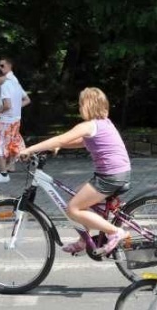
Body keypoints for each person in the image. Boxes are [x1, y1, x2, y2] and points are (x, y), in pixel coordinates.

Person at [18, 87, 131, 256]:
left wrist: (29, 149)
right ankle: (84, 241)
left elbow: (61, 137)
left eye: (80, 104)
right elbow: (81, 142)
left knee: (73, 209)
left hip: (110, 177)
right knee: (76, 195)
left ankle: (114, 232)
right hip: (117, 173)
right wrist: (61, 145)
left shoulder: (87, 125)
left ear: (87, 105)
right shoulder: (103, 124)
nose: (78, 108)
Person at [0, 69, 27, 183]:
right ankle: (13, 164)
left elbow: (7, 105)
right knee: (13, 142)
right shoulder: (15, 84)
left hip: (6, 121)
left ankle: (3, 174)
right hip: (15, 120)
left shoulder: (4, 86)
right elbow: (25, 100)